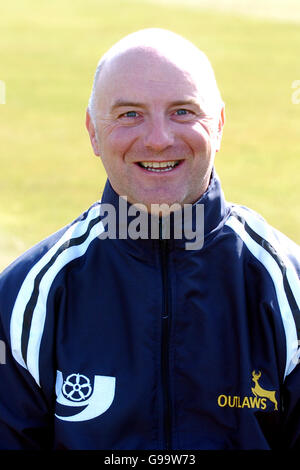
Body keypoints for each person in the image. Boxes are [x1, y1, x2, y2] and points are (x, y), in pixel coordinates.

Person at [0, 28, 299, 450]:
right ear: (92, 131)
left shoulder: (288, 290)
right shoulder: (24, 301)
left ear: (219, 125)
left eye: (182, 111)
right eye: (129, 114)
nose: (158, 139)